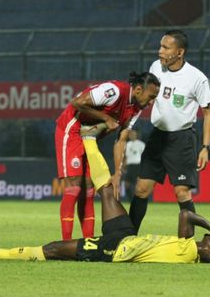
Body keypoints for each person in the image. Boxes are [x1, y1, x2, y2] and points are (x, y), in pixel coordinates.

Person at [0, 178, 210, 264]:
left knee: (54, 249)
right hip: (127, 237)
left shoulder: (189, 251)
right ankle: (89, 141)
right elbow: (185, 216)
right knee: (106, 190)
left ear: (209, 250)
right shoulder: (189, 251)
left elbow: (186, 214)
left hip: (115, 249)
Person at [55, 71, 160, 240]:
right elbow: (77, 102)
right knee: (74, 185)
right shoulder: (114, 91)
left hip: (88, 137)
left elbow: (121, 140)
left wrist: (117, 173)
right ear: (139, 90)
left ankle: (87, 242)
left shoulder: (136, 109)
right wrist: (106, 118)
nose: (152, 102)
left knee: (89, 188)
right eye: (151, 96)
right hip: (72, 128)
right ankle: (65, 242)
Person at [129, 29, 210, 233]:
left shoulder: (196, 78)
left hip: (182, 139)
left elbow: (209, 113)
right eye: (160, 46)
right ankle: (127, 238)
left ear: (180, 52)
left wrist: (205, 147)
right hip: (157, 136)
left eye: (166, 47)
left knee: (182, 193)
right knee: (141, 189)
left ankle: (187, 244)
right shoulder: (155, 67)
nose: (160, 51)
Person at [123, 129, 145, 201]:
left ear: (136, 135)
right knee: (126, 185)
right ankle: (131, 200)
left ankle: (140, 200)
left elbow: (145, 157)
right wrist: (123, 167)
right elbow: (126, 157)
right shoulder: (127, 144)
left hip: (137, 166)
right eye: (130, 134)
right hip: (130, 167)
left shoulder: (141, 144)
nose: (132, 135)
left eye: (133, 134)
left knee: (138, 185)